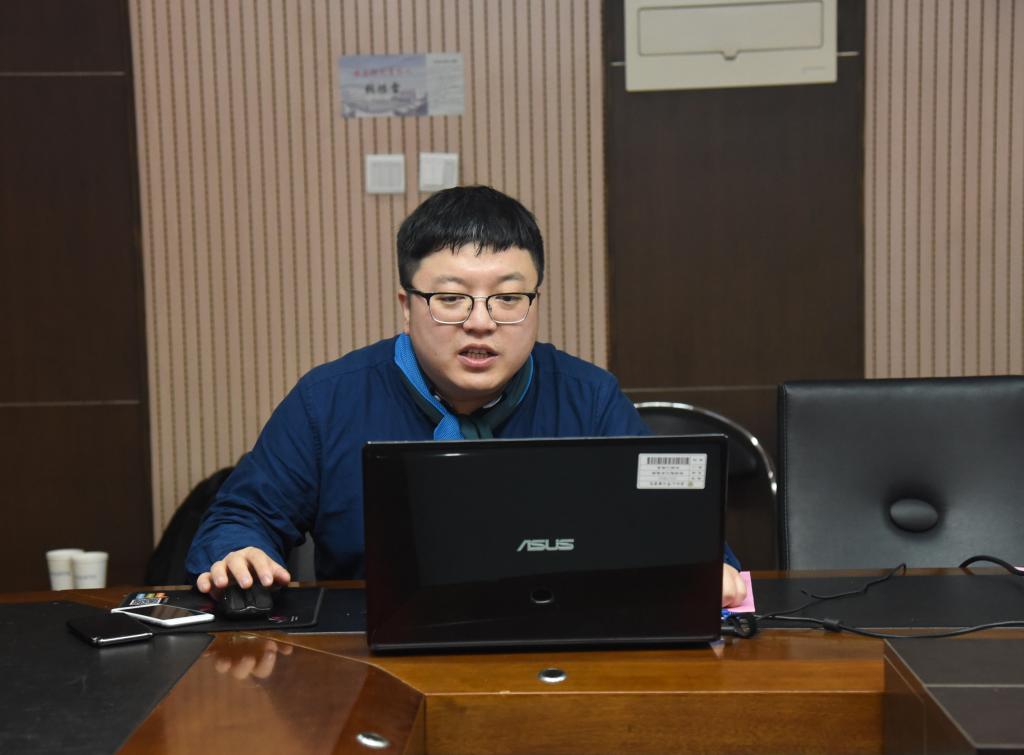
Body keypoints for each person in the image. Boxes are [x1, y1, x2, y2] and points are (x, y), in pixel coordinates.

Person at [186, 185, 747, 607]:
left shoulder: (588, 397)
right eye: (451, 299)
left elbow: (678, 529)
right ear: (407, 308)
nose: (481, 322)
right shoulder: (328, 400)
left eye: (508, 298)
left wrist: (706, 566)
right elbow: (240, 517)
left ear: (534, 302)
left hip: (558, 644)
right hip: (371, 654)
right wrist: (239, 552)